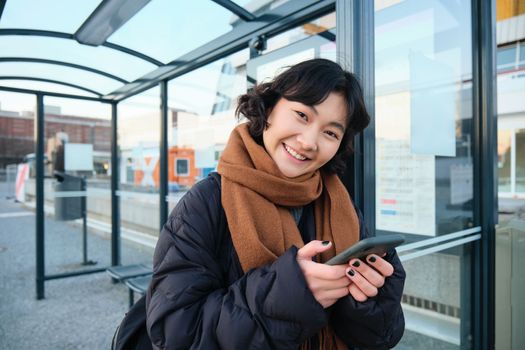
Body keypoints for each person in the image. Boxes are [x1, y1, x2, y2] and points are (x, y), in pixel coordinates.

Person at [145, 58, 405, 350]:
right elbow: (174, 334)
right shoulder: (206, 202)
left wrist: (369, 301)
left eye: (330, 132)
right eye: (302, 115)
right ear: (268, 108)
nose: (309, 142)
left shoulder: (342, 206)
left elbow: (385, 335)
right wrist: (288, 295)